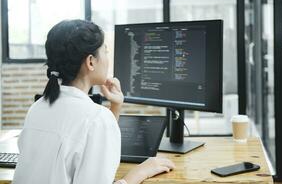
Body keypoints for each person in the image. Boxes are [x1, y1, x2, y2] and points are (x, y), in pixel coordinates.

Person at [12, 19, 175, 184]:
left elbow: (88, 139)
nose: (107, 58)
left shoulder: (38, 108)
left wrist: (116, 106)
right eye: (105, 51)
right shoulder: (97, 118)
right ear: (91, 61)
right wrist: (139, 173)